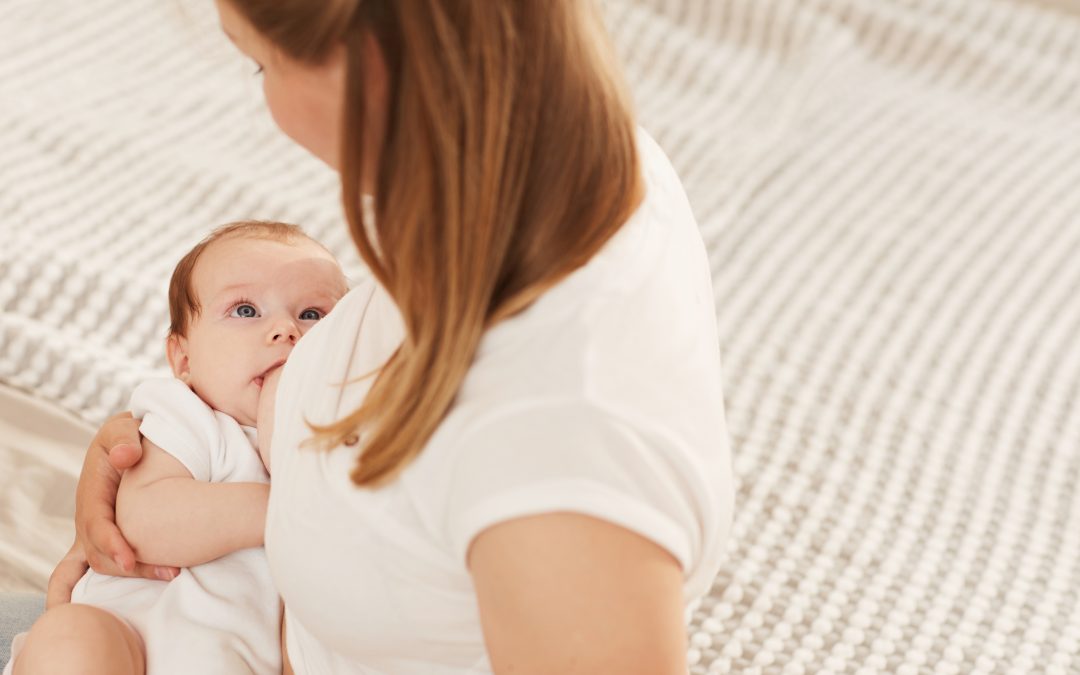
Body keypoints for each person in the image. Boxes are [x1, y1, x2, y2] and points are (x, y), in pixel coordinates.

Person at [13, 1, 735, 673]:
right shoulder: (518, 171)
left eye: (262, 65)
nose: (283, 333)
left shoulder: (557, 446)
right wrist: (135, 457)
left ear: (371, 60)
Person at [5, 221, 349, 675]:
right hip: (128, 645)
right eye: (246, 310)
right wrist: (284, 507)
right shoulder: (188, 418)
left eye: (313, 315)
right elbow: (144, 524)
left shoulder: (342, 446)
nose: (286, 330)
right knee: (72, 635)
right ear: (183, 360)